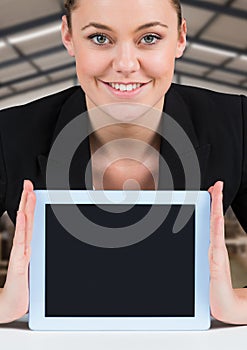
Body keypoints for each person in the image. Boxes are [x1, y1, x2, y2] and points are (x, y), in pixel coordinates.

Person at [0, 0, 246, 324]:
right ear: (69, 37)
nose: (126, 65)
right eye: (100, 38)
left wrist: (236, 305)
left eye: (149, 38)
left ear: (181, 38)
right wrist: (5, 303)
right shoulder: (9, 134)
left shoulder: (236, 124)